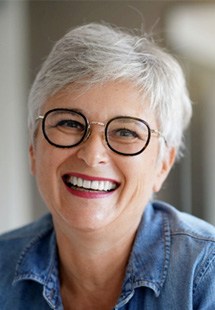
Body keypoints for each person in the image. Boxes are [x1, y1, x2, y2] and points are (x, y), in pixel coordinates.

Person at [0, 23, 214, 310]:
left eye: (126, 132)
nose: (92, 154)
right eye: (70, 123)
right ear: (33, 149)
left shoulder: (206, 276)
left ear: (163, 164)